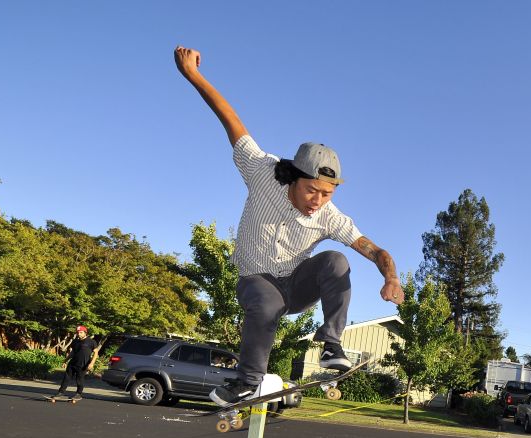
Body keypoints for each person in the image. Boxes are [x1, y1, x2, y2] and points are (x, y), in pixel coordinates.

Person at [173, 46, 404, 407]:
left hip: (297, 287)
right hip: (255, 282)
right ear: (294, 177)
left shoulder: (330, 216)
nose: (318, 200)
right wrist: (194, 75)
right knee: (264, 301)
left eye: (327, 194)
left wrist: (391, 276)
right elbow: (230, 120)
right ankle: (246, 382)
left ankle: (331, 344)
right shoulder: (262, 171)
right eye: (312, 190)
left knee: (336, 261)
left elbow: (373, 250)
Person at [48, 325, 98, 402]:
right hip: (73, 363)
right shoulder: (75, 341)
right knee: (66, 378)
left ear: (85, 333)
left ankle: (78, 394)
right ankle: (60, 393)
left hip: (83, 364)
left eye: (81, 332)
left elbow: (96, 353)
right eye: (78, 333)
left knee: (79, 379)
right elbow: (73, 352)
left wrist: (91, 364)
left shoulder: (91, 342)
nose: (79, 334)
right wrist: (65, 360)